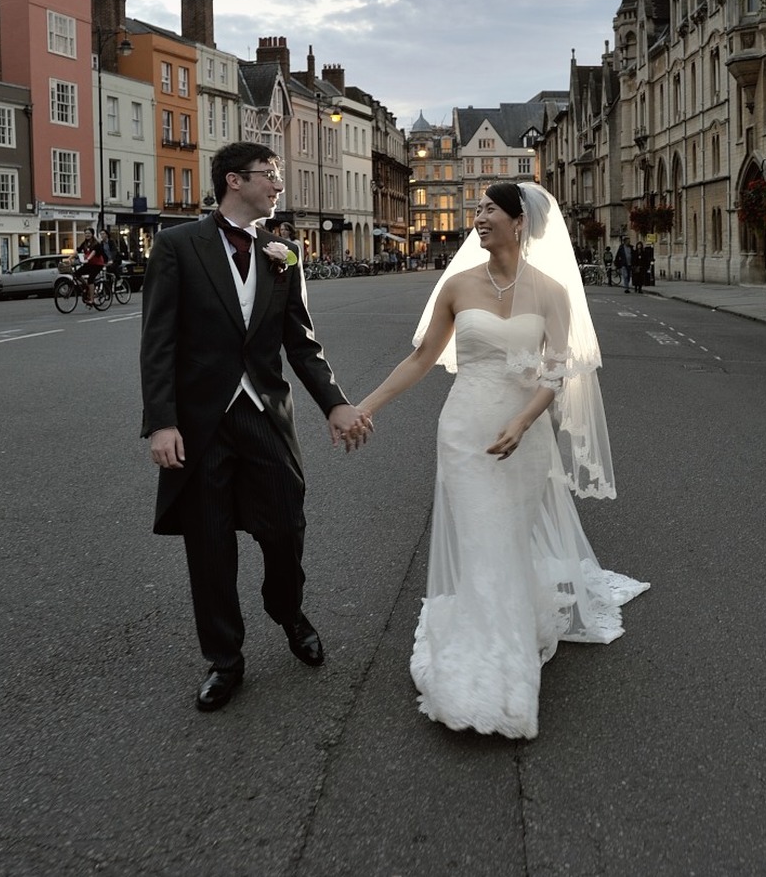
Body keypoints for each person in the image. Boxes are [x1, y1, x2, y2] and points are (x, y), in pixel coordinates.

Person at [355, 182, 648, 740]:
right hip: (464, 431)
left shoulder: (553, 291)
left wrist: (523, 420)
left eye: (490, 210)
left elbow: (557, 372)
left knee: (507, 540)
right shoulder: (457, 285)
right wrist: (364, 407)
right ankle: (491, 665)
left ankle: (504, 640)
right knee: (481, 542)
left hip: (524, 434)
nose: (479, 218)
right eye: (479, 210)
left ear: (519, 222)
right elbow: (421, 358)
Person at [140, 141, 371, 713]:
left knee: (286, 525)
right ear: (234, 181)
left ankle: (286, 609)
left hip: (265, 412)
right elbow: (158, 341)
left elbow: (301, 342)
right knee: (209, 545)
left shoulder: (283, 251)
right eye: (269, 176)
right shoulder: (177, 246)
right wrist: (162, 423)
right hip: (200, 423)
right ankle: (225, 660)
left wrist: (336, 404)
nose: (277, 186)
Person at [75, 229, 108, 305]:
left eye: (89, 233)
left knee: (90, 279)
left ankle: (92, 299)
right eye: (86, 233)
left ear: (92, 234)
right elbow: (78, 251)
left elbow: (94, 252)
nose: (87, 235)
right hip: (89, 264)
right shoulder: (85, 243)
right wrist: (69, 258)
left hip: (97, 264)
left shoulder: (96, 243)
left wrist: (88, 258)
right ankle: (86, 286)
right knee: (77, 274)